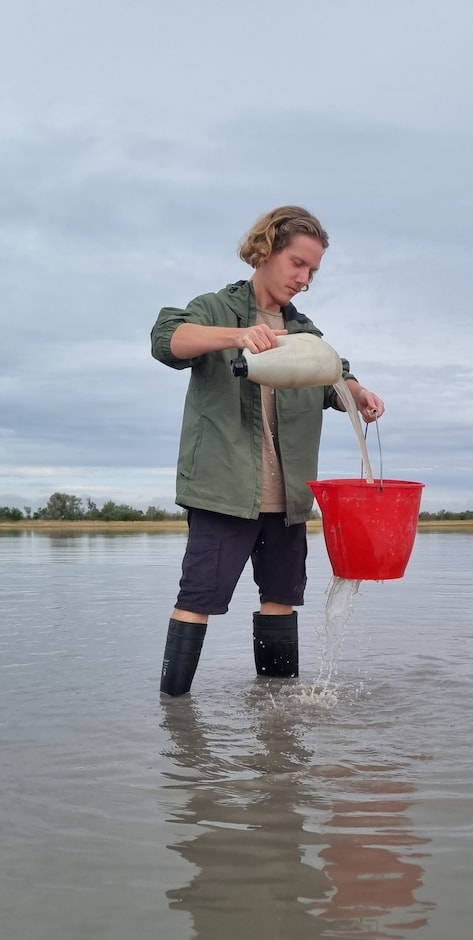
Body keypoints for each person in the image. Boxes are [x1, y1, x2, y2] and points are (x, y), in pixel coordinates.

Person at [151, 205, 384, 696]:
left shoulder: (305, 332)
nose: (304, 278)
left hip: (289, 501)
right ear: (267, 249)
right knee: (197, 599)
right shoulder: (216, 308)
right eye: (298, 263)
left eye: (313, 271)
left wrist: (360, 394)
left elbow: (333, 373)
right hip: (224, 490)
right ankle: (173, 712)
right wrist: (239, 336)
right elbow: (168, 339)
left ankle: (277, 722)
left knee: (280, 600)